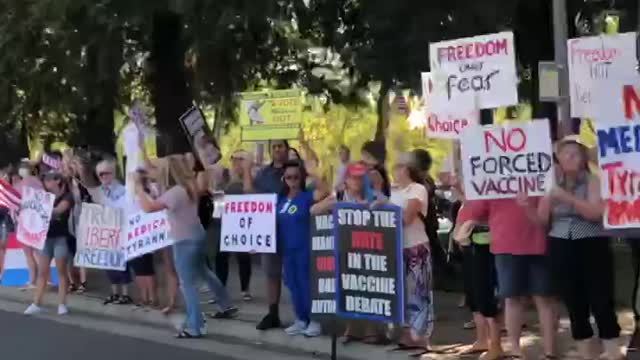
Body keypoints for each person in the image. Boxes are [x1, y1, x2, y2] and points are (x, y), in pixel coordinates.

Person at [519, 137, 622, 360]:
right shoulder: (551, 184)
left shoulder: (593, 181)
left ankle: (612, 351)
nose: (569, 158)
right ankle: (586, 352)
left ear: (584, 157)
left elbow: (595, 213)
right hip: (561, 245)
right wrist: (527, 206)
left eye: (575, 154)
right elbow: (542, 221)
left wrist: (567, 197)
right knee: (574, 300)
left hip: (592, 244)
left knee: (601, 298)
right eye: (564, 154)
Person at [454, 176, 557, 359]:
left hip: (537, 245)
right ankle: (516, 350)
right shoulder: (493, 182)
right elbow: (477, 211)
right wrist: (462, 191)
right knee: (512, 299)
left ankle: (549, 351)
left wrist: (527, 206)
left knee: (542, 298)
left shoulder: (538, 180)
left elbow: (545, 220)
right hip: (505, 246)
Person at [135, 154, 237, 338]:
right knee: (204, 271)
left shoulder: (175, 193)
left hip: (184, 241)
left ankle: (195, 326)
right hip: (197, 236)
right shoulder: (187, 187)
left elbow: (148, 208)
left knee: (187, 284)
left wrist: (137, 188)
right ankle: (226, 304)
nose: (156, 172)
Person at [312, 162, 387, 344]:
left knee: (368, 289)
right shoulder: (338, 196)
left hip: (369, 251)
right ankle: (351, 328)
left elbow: (388, 209)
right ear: (346, 179)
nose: (358, 181)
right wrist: (334, 206)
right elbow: (313, 210)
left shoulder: (374, 196)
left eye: (361, 177)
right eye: (354, 177)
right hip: (345, 251)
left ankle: (370, 330)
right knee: (348, 289)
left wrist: (378, 195)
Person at [388, 153, 434, 354]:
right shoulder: (393, 190)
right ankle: (409, 332)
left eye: (397, 167)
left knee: (419, 291)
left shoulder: (418, 189)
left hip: (416, 246)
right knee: (404, 292)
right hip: (397, 246)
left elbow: (407, 218)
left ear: (406, 169)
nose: (394, 171)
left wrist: (385, 210)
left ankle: (421, 336)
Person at [243, 139, 289, 330]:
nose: (278, 149)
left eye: (281, 146)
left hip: (291, 228)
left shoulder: (296, 170)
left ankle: (305, 315)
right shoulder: (264, 173)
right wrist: (246, 168)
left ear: (287, 149)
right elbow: (249, 192)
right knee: (271, 273)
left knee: (296, 274)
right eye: (275, 147)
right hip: (269, 229)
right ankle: (273, 314)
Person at [278, 160, 324, 337]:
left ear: (302, 178)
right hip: (287, 249)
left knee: (306, 285)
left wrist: (315, 173)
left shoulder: (307, 196)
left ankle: (315, 320)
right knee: (293, 285)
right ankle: (301, 319)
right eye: (289, 177)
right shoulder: (280, 200)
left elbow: (326, 192)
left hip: (305, 248)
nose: (292, 180)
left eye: (296, 177)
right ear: (284, 179)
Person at [78, 158, 133, 305]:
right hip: (105, 232)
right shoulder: (101, 191)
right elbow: (88, 186)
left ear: (114, 173)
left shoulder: (123, 191)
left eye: (105, 174)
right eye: (100, 175)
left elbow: (124, 209)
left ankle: (125, 294)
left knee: (121, 264)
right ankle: (114, 292)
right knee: (108, 264)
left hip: (119, 231)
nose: (103, 177)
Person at [454, 210, 503, 360]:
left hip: (489, 247)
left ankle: (496, 345)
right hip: (471, 246)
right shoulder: (467, 202)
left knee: (487, 295)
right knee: (474, 295)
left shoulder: (487, 196)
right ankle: (482, 340)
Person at [24, 170, 73, 315]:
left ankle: (62, 304)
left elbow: (58, 211)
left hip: (61, 238)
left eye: (49, 180)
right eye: (45, 180)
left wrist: (37, 208)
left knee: (61, 272)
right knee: (42, 272)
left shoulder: (67, 197)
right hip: (45, 238)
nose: (46, 182)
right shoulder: (43, 196)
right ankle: (36, 303)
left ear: (58, 181)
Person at [212, 150, 252, 301]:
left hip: (243, 225)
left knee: (243, 257)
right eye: (233, 158)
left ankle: (245, 289)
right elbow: (218, 206)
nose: (236, 162)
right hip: (225, 225)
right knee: (220, 257)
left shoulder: (249, 179)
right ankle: (220, 289)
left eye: (240, 159)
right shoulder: (224, 179)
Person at [15, 160, 42, 290]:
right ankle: (44, 279)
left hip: (24, 221)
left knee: (29, 254)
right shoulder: (39, 182)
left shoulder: (21, 184)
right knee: (37, 252)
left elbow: (15, 203)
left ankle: (32, 281)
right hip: (37, 221)